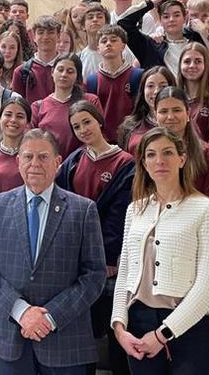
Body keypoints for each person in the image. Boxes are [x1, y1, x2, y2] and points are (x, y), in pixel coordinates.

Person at [0, 129, 107, 374]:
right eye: (28, 156)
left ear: (57, 162)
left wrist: (50, 317)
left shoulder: (83, 210)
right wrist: (21, 311)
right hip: (9, 335)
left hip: (65, 339)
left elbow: (94, 275)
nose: (34, 164)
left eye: (43, 157)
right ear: (18, 161)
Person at [110, 127, 209, 374]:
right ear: (143, 163)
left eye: (167, 153)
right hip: (138, 325)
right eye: (150, 155)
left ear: (182, 159)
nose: (159, 161)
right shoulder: (135, 210)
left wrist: (163, 334)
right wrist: (119, 327)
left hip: (187, 325)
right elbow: (126, 273)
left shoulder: (204, 209)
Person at [56, 101, 135, 375]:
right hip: (77, 261)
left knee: (116, 332)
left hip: (110, 264)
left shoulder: (125, 162)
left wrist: (107, 258)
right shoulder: (74, 160)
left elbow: (120, 217)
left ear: (99, 121)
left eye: (87, 122)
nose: (83, 130)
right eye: (76, 126)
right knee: (84, 334)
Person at [153, 87, 209, 206]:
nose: (170, 117)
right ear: (155, 115)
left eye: (177, 110)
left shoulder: (208, 153)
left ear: (188, 113)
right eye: (164, 111)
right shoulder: (147, 153)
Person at [32, 53, 103, 159]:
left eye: (70, 71)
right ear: (52, 72)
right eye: (60, 70)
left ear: (77, 76)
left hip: (84, 163)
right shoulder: (38, 107)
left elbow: (99, 135)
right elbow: (32, 141)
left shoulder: (90, 101)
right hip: (50, 166)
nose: (64, 74)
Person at [84, 24, 143, 144]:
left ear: (123, 46)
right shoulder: (91, 81)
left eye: (114, 40)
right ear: (98, 48)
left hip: (133, 140)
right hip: (103, 143)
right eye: (104, 41)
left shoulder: (138, 76)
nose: (108, 44)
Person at [117, 0, 205, 74]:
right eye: (166, 16)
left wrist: (203, 32)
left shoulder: (197, 40)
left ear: (185, 18)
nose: (171, 19)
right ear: (160, 20)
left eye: (176, 15)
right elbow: (122, 22)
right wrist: (151, 4)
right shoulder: (151, 47)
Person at [118, 66, 176, 154]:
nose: (156, 91)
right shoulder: (129, 126)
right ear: (143, 90)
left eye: (163, 86)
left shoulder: (180, 122)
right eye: (150, 86)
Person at [177, 42, 209, 142]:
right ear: (180, 65)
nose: (192, 66)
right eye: (187, 61)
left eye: (198, 61)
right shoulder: (175, 100)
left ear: (206, 65)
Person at [11, 16, 62, 104]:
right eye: (41, 32)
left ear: (58, 36)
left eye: (50, 32)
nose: (45, 37)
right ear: (34, 36)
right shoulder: (21, 72)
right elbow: (17, 106)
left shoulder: (68, 69)